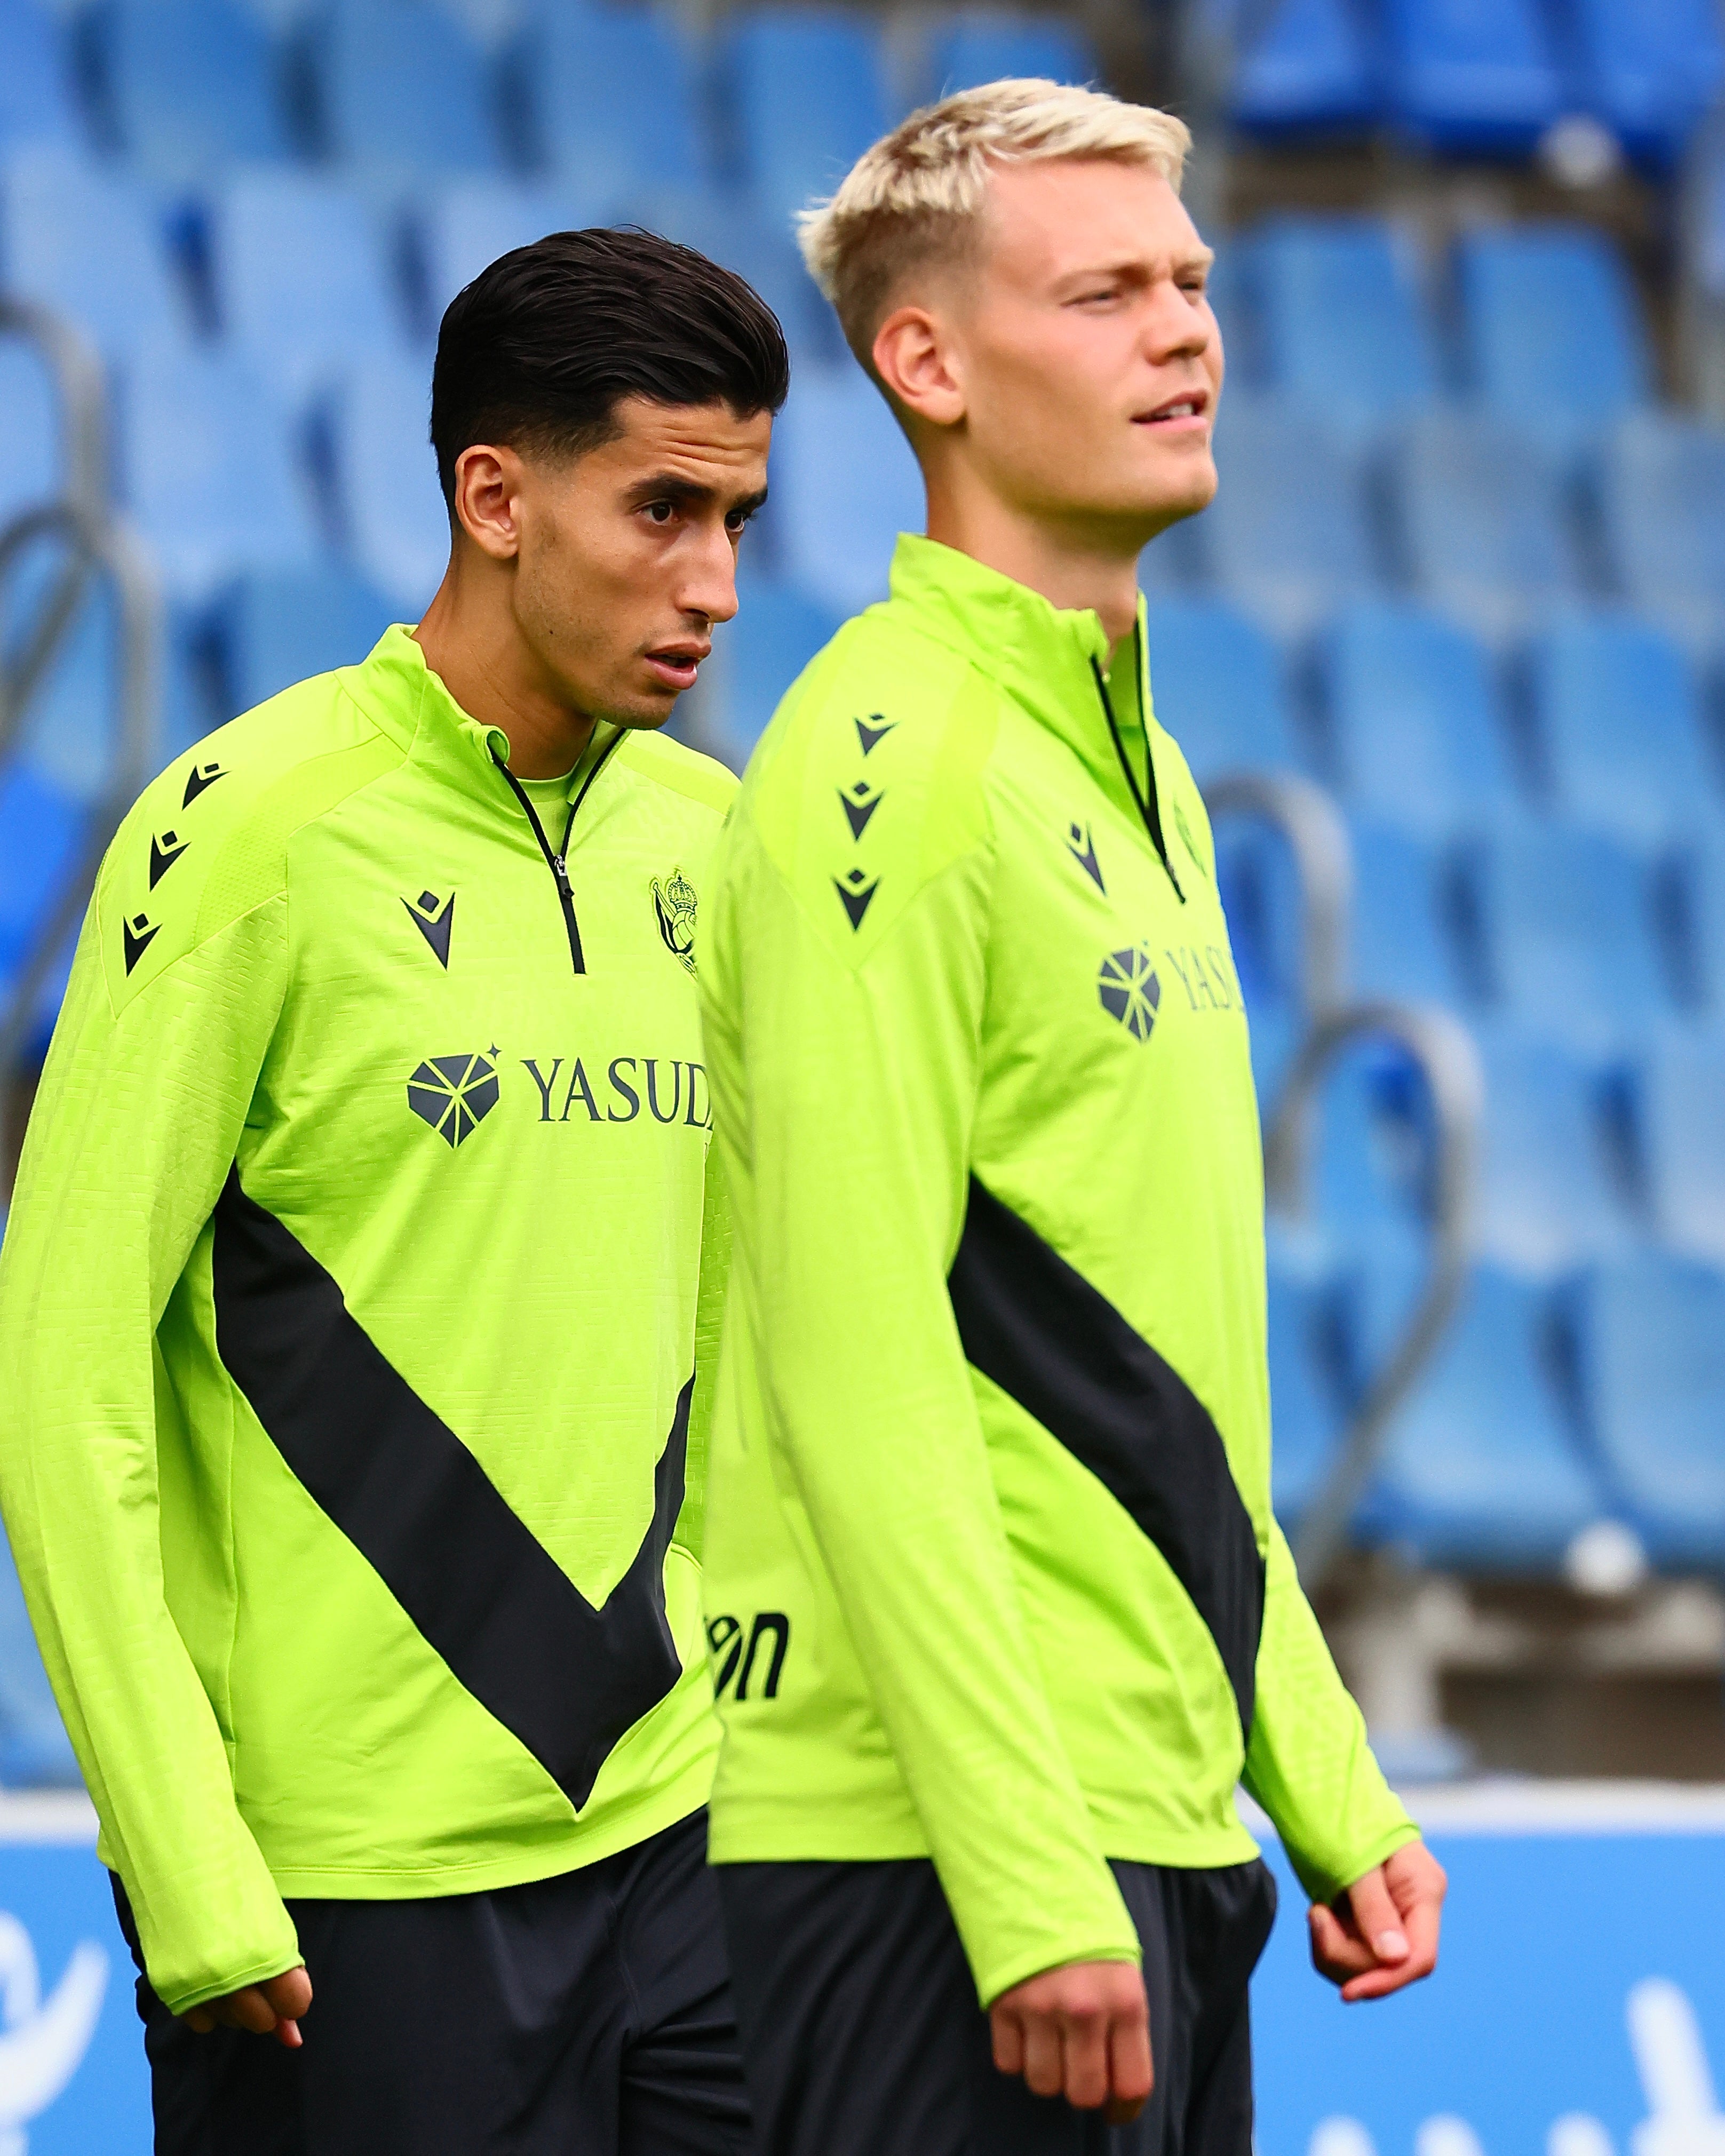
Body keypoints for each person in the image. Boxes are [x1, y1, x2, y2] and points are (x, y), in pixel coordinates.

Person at [697, 79, 1448, 2156]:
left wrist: (1313, 1772)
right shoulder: (883, 757)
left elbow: (1140, 1382)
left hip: (1142, 1819)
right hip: (921, 1860)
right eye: (1104, 291)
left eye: (1189, 283)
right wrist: (1025, 1877)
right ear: (923, 361)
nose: (1183, 332)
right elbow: (857, 1355)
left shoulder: (1148, 778)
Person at [0, 226, 785, 2155]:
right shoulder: (252, 832)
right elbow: (61, 1365)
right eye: (665, 509)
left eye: (744, 520)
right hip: (344, 1896)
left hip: (687, 1848)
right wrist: (186, 1862)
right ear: (493, 497)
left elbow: (752, 1343)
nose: (717, 585)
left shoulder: (719, 839)